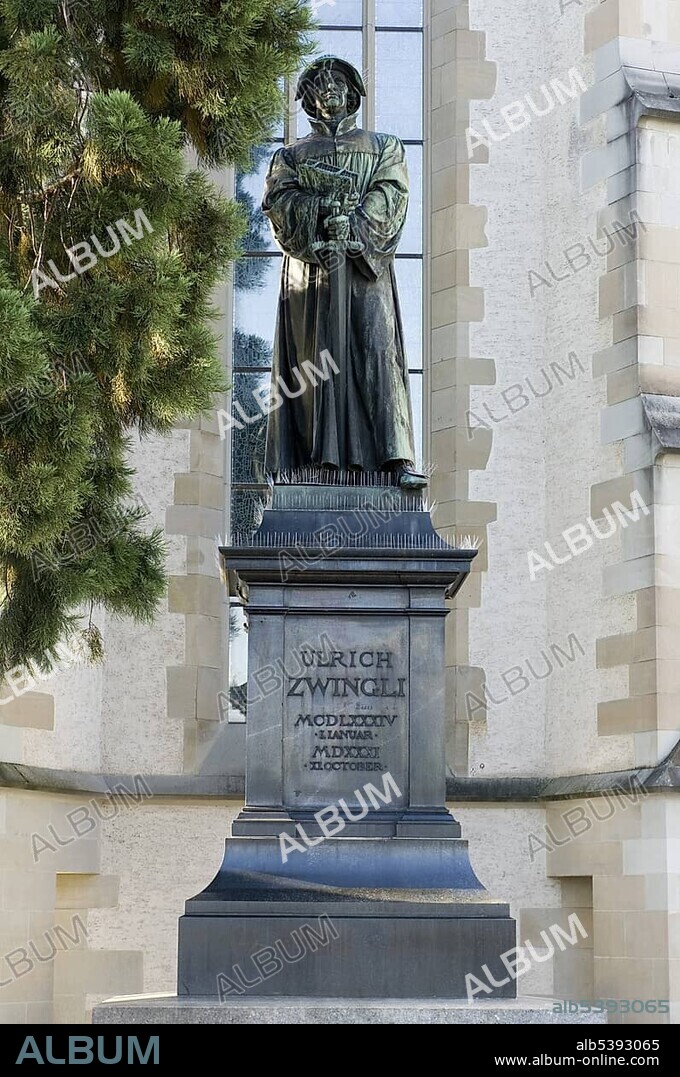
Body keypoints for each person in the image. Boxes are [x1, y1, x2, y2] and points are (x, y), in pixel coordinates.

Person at [262, 55, 427, 490]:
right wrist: (319, 214)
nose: (328, 89)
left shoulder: (384, 146)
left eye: (337, 82)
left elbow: (391, 194)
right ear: (308, 100)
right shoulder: (290, 156)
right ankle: (311, 463)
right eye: (318, 84)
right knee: (311, 363)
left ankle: (395, 460)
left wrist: (352, 225)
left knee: (376, 349)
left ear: (353, 92)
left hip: (363, 270)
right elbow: (278, 202)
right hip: (310, 273)